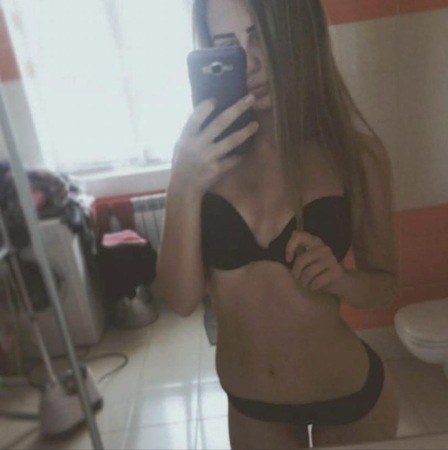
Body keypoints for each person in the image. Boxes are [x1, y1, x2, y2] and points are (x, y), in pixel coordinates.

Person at [157, 0, 400, 448]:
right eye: (227, 45)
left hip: (348, 396)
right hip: (251, 406)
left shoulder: (356, 155)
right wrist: (183, 185)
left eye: (260, 36)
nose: (250, 62)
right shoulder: (202, 163)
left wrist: (340, 280)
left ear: (299, 34)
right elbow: (181, 300)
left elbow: (385, 287)